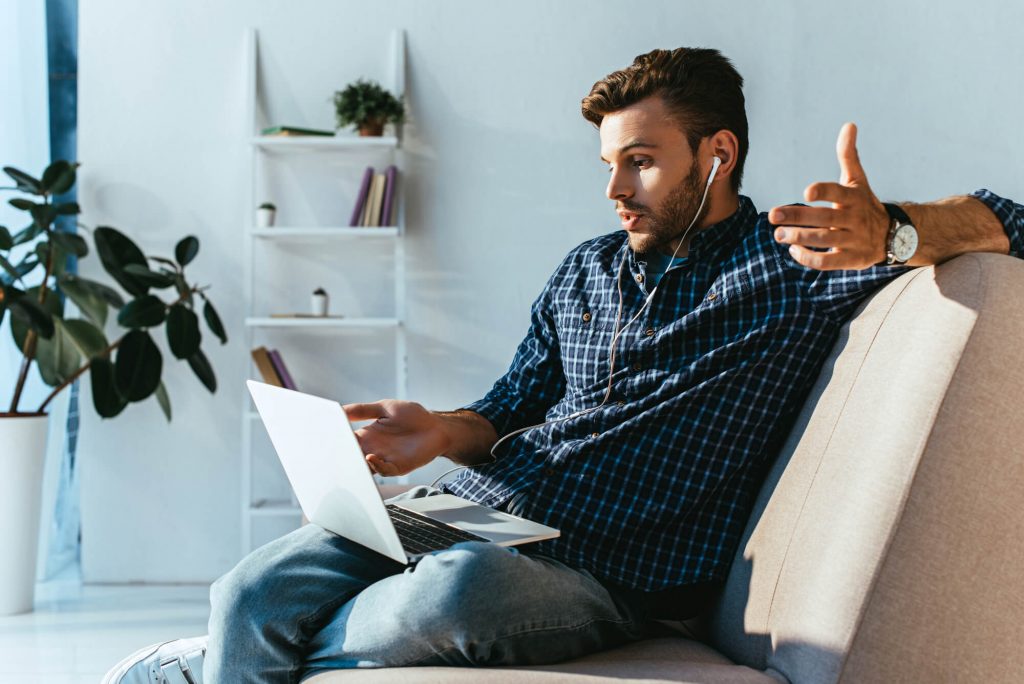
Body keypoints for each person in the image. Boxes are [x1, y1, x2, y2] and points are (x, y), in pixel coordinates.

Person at [104, 47, 1023, 683]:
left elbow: (1011, 222)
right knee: (249, 589)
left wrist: (896, 229)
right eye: (608, 163)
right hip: (474, 505)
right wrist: (443, 431)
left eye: (642, 162)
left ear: (719, 154)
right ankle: (235, 639)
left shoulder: (797, 263)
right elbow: (512, 404)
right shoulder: (583, 271)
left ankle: (220, 661)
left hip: (610, 573)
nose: (615, 186)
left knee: (447, 599)